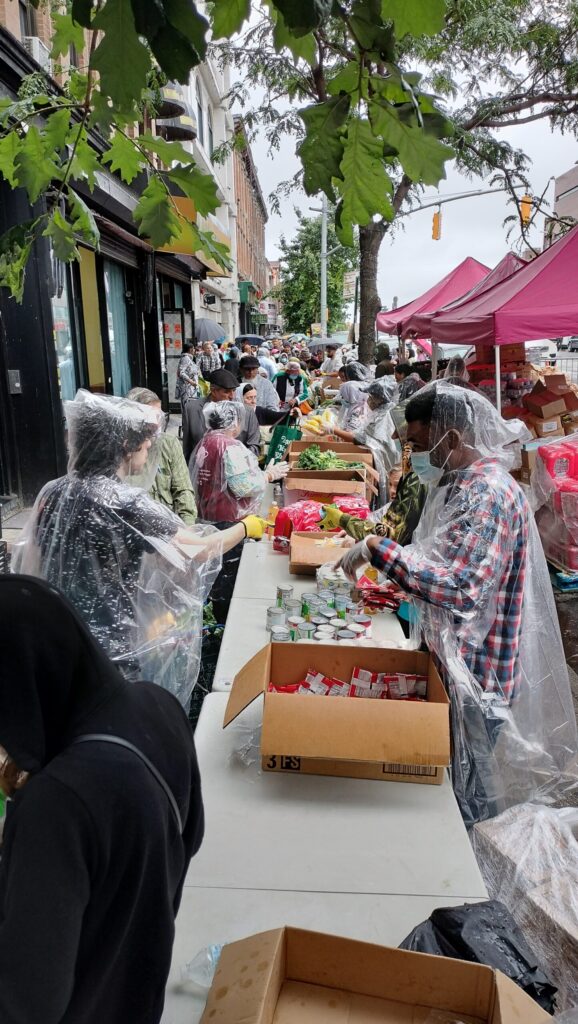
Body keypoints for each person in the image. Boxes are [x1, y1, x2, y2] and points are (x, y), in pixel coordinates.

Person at [338, 382, 578, 824]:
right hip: (460, 665)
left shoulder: (486, 494)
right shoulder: (461, 485)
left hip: (478, 676)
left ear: (449, 438)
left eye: (419, 444)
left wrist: (378, 550)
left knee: (470, 790)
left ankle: (477, 854)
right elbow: (443, 558)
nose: (415, 456)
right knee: (456, 777)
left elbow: (462, 588)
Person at [0, 576, 204, 1024]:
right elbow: (189, 840)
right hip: (137, 996)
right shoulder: (159, 706)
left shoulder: (58, 803)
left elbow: (27, 1003)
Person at [13, 390, 265, 708]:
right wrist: (246, 527)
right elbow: (199, 550)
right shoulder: (124, 501)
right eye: (145, 445)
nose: (148, 451)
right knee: (108, 718)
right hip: (109, 650)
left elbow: (34, 562)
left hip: (54, 635)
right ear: (124, 445)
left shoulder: (54, 491)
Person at [191, 402, 288, 620]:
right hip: (230, 520)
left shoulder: (206, 441)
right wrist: (268, 475)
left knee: (214, 572)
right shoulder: (230, 446)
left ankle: (216, 617)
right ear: (233, 422)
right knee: (228, 576)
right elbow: (244, 486)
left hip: (207, 517)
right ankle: (226, 621)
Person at [126, 387, 197, 526]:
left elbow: (183, 490)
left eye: (159, 416)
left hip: (171, 527)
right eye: (151, 417)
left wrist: (188, 525)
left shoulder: (169, 444)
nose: (157, 423)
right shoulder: (125, 451)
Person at [329, 377, 399, 503]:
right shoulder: (380, 413)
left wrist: (332, 430)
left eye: (371, 396)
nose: (368, 399)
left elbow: (362, 439)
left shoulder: (385, 416)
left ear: (379, 398)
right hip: (383, 463)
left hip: (389, 465)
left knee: (387, 497)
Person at [182, 368, 261, 461]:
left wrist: (236, 461)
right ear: (213, 391)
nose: (232, 396)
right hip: (201, 467)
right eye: (227, 391)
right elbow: (187, 448)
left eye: (234, 390)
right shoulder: (191, 409)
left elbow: (254, 446)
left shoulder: (247, 412)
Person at [175, 341, 199, 411]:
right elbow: (181, 372)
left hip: (190, 388)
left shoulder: (189, 358)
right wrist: (191, 381)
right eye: (193, 348)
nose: (194, 350)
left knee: (189, 407)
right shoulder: (185, 358)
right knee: (187, 408)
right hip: (187, 388)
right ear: (190, 349)